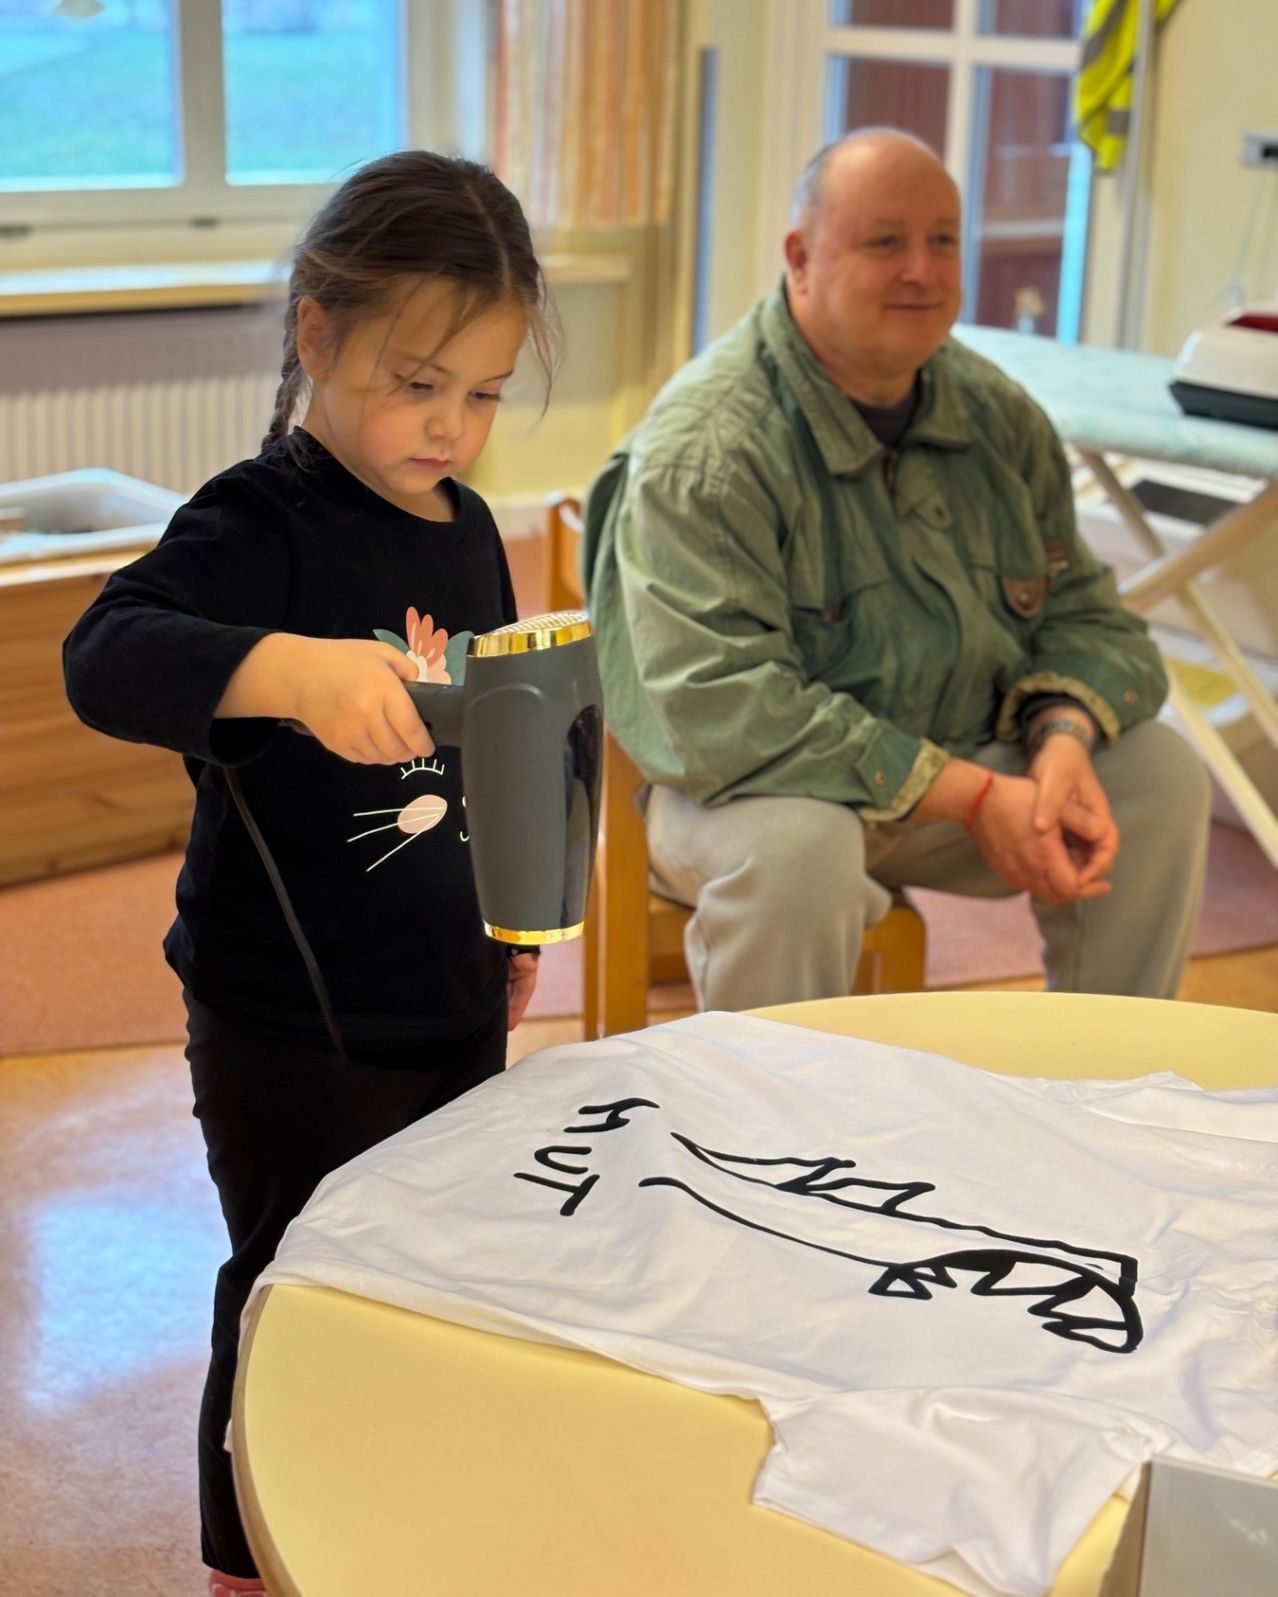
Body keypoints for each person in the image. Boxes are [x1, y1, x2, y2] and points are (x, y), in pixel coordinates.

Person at [63, 150, 557, 1597]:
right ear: (318, 335)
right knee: (290, 1289)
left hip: (447, 991)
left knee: (427, 1277)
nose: (452, 426)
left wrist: (515, 927)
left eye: (485, 392)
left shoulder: (471, 530)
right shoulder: (257, 521)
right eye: (418, 383)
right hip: (288, 1015)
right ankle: (248, 1561)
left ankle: (385, 1525)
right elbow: (104, 653)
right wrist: (285, 672)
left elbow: (494, 739)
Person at [582, 128, 1210, 1011]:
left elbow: (1087, 616)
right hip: (741, 789)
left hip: (955, 763)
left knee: (1160, 777)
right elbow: (722, 712)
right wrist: (973, 795)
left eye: (943, 240)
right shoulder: (709, 450)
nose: (922, 269)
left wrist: (1062, 738)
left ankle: (1101, 1075)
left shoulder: (1000, 416)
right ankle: (763, 1102)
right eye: (885, 241)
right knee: (800, 852)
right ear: (800, 257)